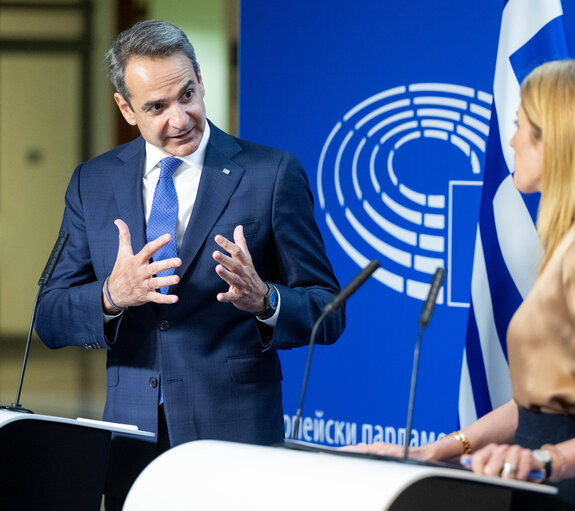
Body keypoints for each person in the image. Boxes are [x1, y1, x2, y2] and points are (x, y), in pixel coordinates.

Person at [351, 59, 575, 510]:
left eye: (521, 125)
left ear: (558, 139)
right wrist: (441, 450)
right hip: (537, 490)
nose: (512, 140)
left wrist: (546, 459)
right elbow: (542, 407)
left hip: (572, 497)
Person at [35, 20, 344, 450]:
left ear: (200, 80)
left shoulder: (272, 174)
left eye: (186, 95)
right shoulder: (93, 181)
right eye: (156, 108)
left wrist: (265, 300)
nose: (180, 119)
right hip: (131, 435)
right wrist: (111, 295)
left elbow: (328, 309)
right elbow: (48, 317)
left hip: (235, 432)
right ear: (126, 109)